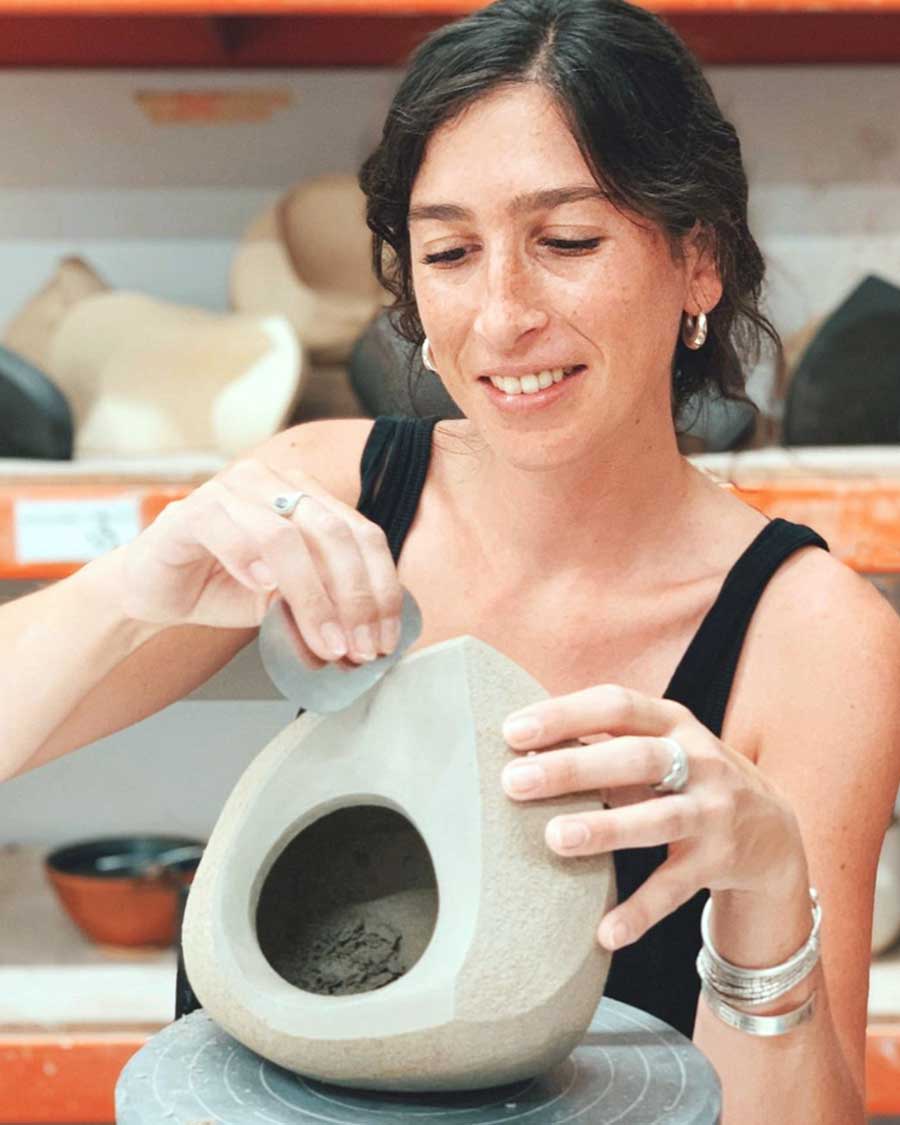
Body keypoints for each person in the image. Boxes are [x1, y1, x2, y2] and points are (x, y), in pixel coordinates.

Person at [1, 0, 897, 1119]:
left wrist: (767, 893)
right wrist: (128, 597)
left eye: (567, 241)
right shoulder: (334, 492)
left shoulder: (814, 640)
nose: (501, 314)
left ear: (699, 261)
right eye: (450, 252)